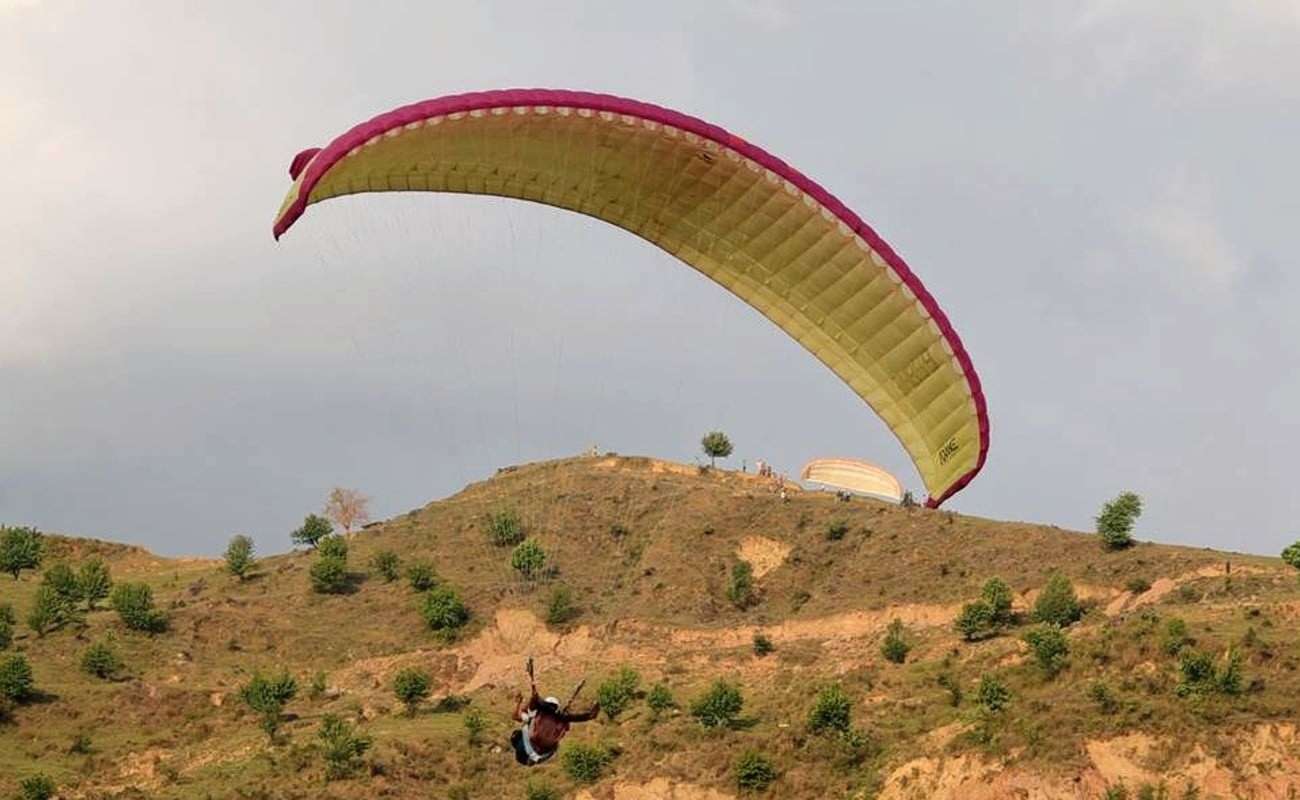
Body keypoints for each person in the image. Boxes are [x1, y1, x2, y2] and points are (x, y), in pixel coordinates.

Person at [510, 658, 599, 766]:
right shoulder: (562, 720)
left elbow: (518, 714)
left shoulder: (535, 715)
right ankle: (532, 757)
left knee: (518, 733)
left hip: (526, 752)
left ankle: (531, 757)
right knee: (520, 734)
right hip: (539, 754)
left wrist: (521, 701)